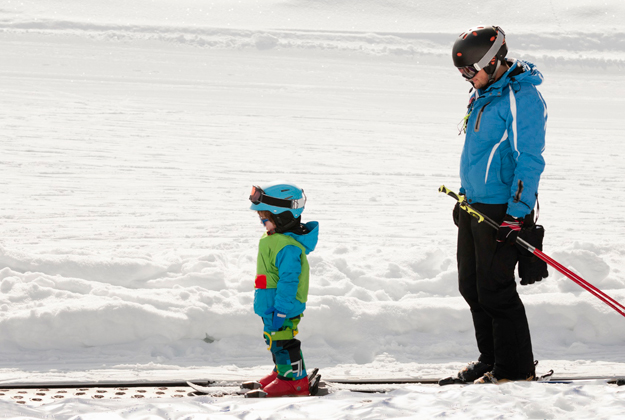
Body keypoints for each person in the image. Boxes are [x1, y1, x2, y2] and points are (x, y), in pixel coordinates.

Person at [450, 25, 548, 384]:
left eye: (469, 71)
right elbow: (476, 153)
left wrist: (516, 214)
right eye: (461, 73)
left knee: (496, 290)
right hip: (476, 204)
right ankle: (490, 359)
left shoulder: (521, 98)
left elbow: (529, 159)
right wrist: (464, 195)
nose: (465, 78)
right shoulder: (485, 92)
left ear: (491, 62)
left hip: (503, 210)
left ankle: (515, 369)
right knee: (471, 286)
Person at [248, 182, 319, 396]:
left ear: (282, 217)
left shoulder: (287, 247)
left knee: (283, 339)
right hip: (271, 302)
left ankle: (295, 380)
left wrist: (281, 308)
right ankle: (282, 370)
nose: (262, 222)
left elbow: (289, 281)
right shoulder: (274, 239)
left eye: (265, 218)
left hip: (282, 304)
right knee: (273, 338)